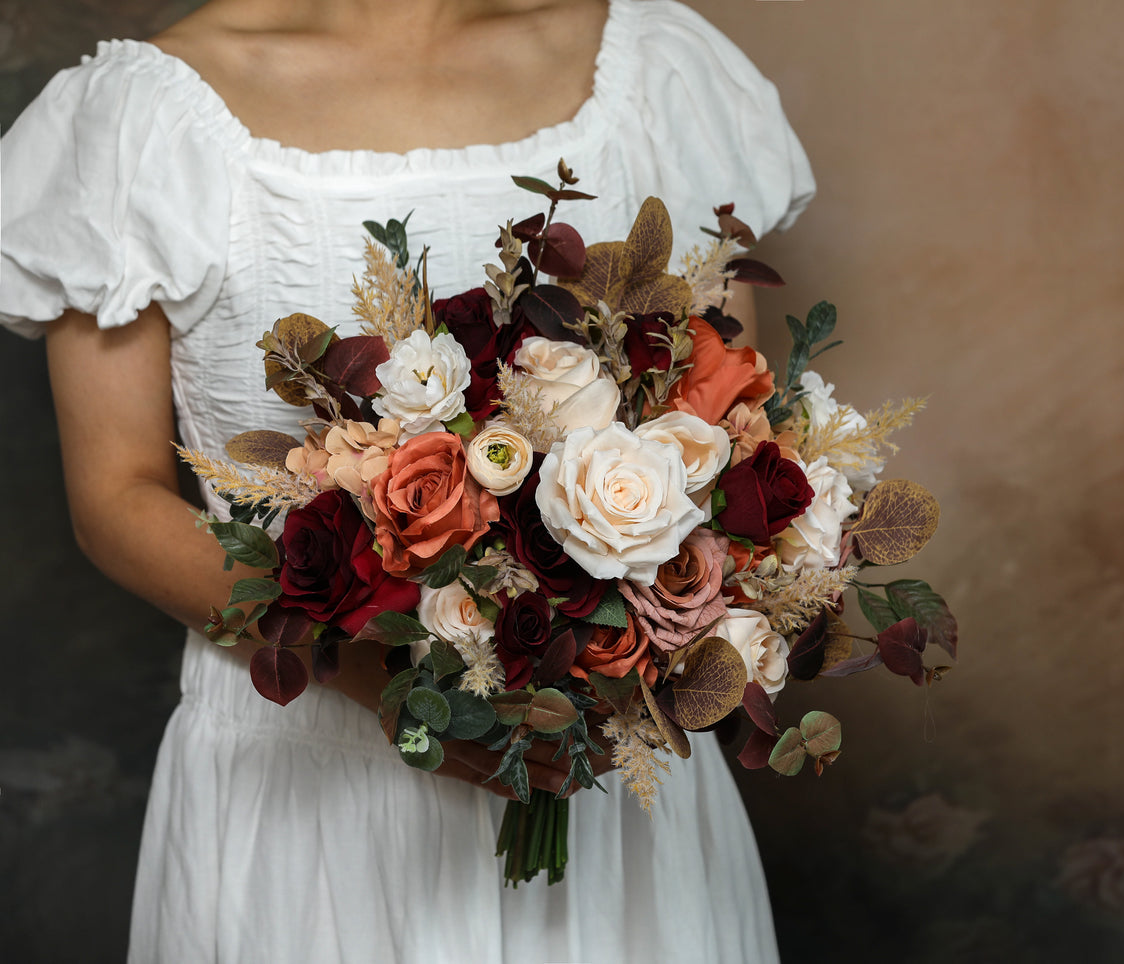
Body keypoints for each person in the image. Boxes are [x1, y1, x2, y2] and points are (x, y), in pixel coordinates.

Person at [0, 0, 813, 959]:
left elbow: (725, 435)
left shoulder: (659, 69)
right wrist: (397, 690)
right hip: (307, 793)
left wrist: (624, 642)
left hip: (607, 778)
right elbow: (117, 499)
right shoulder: (138, 116)